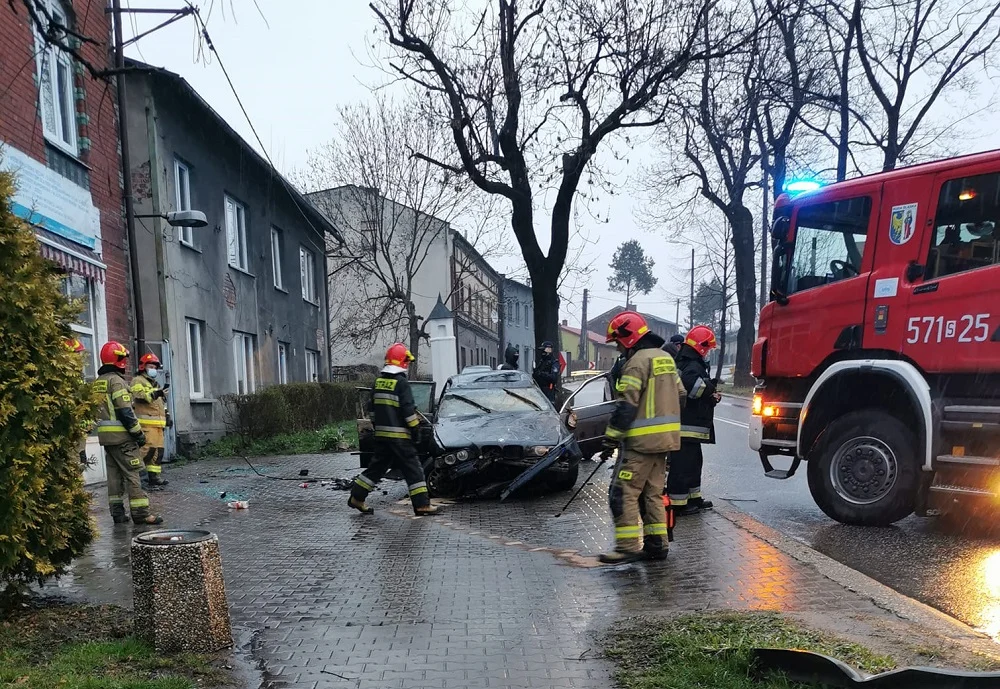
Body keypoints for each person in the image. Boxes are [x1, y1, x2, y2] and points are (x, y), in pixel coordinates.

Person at [599, 311, 685, 564]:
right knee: (652, 495)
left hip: (640, 445)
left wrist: (611, 439)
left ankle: (626, 547)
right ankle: (657, 546)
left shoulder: (636, 363)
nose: (617, 347)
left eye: (617, 341)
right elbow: (681, 395)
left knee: (621, 492)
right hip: (664, 443)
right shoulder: (666, 359)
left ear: (628, 338)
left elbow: (626, 405)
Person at [349, 343, 442, 516]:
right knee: (413, 468)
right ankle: (422, 505)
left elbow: (371, 410)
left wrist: (378, 428)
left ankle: (357, 497)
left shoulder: (378, 382)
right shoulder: (401, 383)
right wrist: (416, 430)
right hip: (400, 438)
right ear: (401, 362)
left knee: (376, 469)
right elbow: (408, 411)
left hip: (382, 437)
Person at [94, 341, 163, 525]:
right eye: (123, 357)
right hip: (123, 438)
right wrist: (138, 434)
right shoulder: (116, 381)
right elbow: (125, 411)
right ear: (118, 359)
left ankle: (117, 513)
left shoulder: (98, 382)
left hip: (107, 439)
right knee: (134, 473)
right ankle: (141, 514)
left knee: (114, 476)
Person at [666, 325, 721, 516]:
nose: (708, 352)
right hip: (686, 425)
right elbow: (693, 389)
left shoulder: (688, 362)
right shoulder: (691, 365)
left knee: (693, 463)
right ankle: (678, 505)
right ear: (701, 346)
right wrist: (711, 390)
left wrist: (710, 391)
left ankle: (693, 498)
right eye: (707, 348)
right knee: (682, 466)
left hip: (689, 426)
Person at [131, 353, 172, 489]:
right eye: (150, 366)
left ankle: (154, 478)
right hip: (146, 425)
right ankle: (134, 478)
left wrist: (167, 417)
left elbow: (161, 404)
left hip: (158, 426)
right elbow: (139, 395)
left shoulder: (155, 384)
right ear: (143, 367)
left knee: (157, 453)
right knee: (146, 451)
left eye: (155, 366)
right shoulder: (138, 380)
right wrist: (157, 393)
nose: (153, 368)